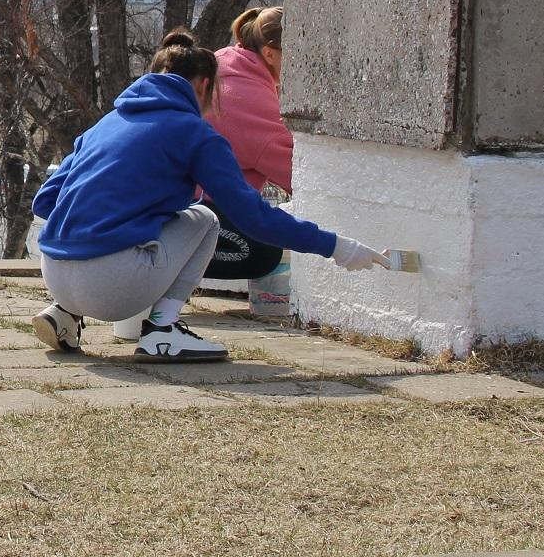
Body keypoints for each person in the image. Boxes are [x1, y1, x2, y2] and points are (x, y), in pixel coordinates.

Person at [30, 30, 386, 363]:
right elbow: (253, 218)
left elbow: (45, 201)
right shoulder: (195, 133)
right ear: (203, 85)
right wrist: (338, 248)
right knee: (204, 219)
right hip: (112, 289)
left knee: (154, 225)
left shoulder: (105, 124)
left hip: (55, 276)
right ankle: (161, 332)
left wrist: (131, 210)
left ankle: (65, 314)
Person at [212, 5, 291, 195]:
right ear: (269, 54)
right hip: (206, 212)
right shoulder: (247, 99)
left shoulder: (223, 63)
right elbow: (299, 173)